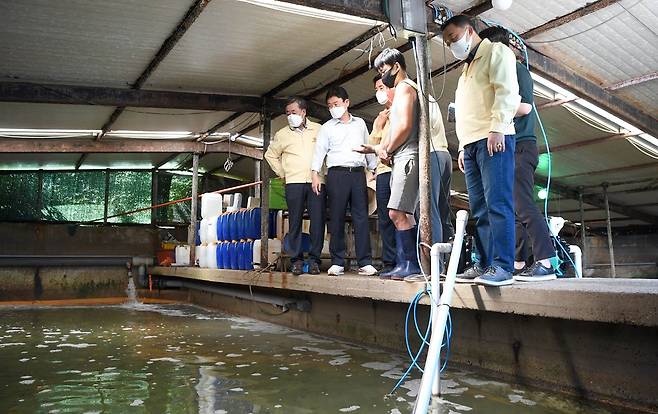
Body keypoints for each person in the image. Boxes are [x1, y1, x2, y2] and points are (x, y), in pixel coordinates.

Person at [442, 15, 521, 286]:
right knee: (479, 208)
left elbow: (507, 91)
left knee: (498, 203)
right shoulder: (466, 70)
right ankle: (485, 263)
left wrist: (498, 127)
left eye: (453, 37)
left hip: (493, 138)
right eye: (448, 41)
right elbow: (466, 113)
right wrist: (463, 147)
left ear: (469, 30)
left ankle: (503, 266)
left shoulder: (496, 51)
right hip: (473, 144)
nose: (452, 44)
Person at [478, 26, 556, 282]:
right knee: (511, 207)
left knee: (523, 204)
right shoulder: (498, 73)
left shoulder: (517, 70)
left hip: (522, 145)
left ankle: (546, 260)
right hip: (511, 147)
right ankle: (520, 262)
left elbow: (524, 106)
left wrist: (494, 111)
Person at [366, 48, 422, 281]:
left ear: (396, 66)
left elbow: (405, 125)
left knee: (396, 212)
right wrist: (382, 148)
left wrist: (386, 148)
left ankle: (410, 263)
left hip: (408, 154)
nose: (382, 75)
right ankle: (406, 263)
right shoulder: (401, 90)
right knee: (405, 214)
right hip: (400, 155)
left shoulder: (405, 87)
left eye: (383, 69)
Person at [311, 86, 378, 277]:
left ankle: (365, 262)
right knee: (337, 217)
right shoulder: (327, 127)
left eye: (336, 104)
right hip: (336, 175)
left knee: (361, 217)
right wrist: (315, 173)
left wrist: (373, 168)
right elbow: (319, 152)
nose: (333, 108)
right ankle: (337, 261)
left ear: (346, 103)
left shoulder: (360, 124)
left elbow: (368, 147)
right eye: (330, 105)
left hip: (358, 174)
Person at [264, 97, 326, 275]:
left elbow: (326, 152)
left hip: (317, 182)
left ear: (304, 112)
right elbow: (270, 155)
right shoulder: (282, 134)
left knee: (317, 222)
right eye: (288, 113)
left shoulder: (319, 129)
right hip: (293, 182)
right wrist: (282, 173)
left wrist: (325, 174)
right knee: (295, 222)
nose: (290, 116)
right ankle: (296, 261)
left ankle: (314, 260)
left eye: (294, 112)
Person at [369, 74, 397, 275]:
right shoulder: (381, 118)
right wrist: (378, 127)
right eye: (377, 89)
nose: (380, 92)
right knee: (385, 219)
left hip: (398, 169)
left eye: (382, 87)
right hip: (382, 172)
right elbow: (372, 147)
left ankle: (405, 260)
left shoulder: (402, 109)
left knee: (401, 216)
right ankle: (389, 262)